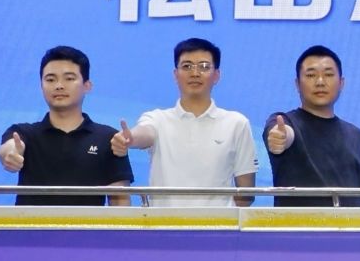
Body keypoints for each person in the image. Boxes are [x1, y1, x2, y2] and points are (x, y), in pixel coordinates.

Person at [110, 37, 257, 208]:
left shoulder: (237, 123)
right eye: (187, 66)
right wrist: (130, 139)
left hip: (218, 223)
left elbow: (246, 195)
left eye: (204, 66)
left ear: (216, 75)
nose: (195, 73)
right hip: (164, 222)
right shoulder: (158, 119)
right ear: (175, 75)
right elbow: (145, 133)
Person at [0, 45, 133, 205]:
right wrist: (10, 154)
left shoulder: (109, 138)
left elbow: (120, 202)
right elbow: (8, 148)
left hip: (88, 222)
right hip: (31, 222)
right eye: (50, 79)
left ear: (87, 85)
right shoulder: (24, 133)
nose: (59, 85)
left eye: (69, 78)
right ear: (41, 86)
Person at [264, 45, 360, 207]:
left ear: (341, 83)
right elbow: (282, 134)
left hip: (351, 224)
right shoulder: (284, 122)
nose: (320, 82)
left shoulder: (357, 136)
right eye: (311, 75)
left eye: (328, 74)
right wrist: (280, 138)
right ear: (297, 84)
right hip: (298, 223)